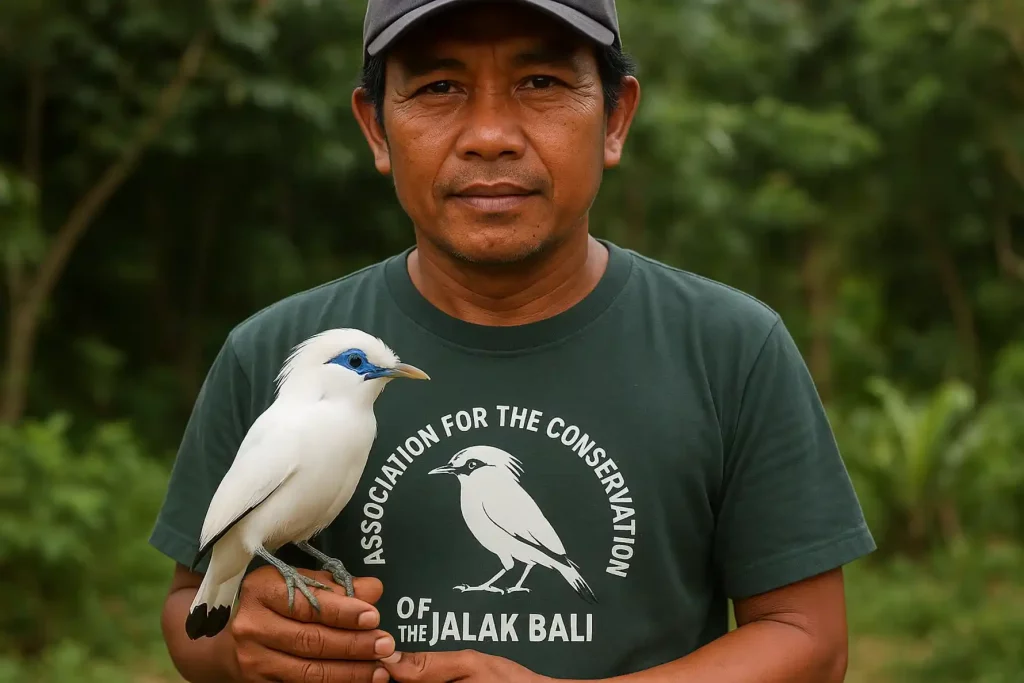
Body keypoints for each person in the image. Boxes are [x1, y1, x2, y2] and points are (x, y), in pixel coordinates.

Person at [149, 0, 876, 681]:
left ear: (615, 119)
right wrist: (249, 643)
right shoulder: (276, 352)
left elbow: (809, 639)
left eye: (540, 81)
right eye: (438, 86)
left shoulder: (730, 349)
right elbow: (192, 611)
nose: (490, 135)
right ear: (376, 128)